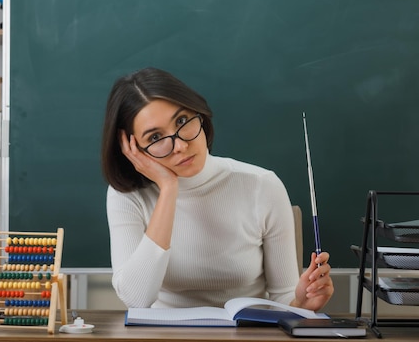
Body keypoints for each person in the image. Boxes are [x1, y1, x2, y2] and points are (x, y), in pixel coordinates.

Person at [101, 67, 333, 310]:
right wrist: (169, 189)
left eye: (182, 121)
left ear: (199, 115)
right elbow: (136, 299)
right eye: (155, 138)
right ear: (133, 148)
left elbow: (284, 298)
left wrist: (302, 302)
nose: (179, 145)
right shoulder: (126, 196)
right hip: (166, 336)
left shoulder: (262, 185)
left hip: (248, 333)